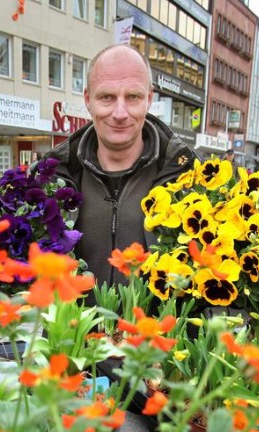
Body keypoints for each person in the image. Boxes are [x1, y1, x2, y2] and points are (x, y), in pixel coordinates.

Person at [44, 44, 196, 287]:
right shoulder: (53, 175)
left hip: (155, 326)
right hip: (72, 325)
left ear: (149, 99)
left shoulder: (188, 177)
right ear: (87, 99)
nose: (120, 112)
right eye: (107, 97)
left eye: (133, 97)